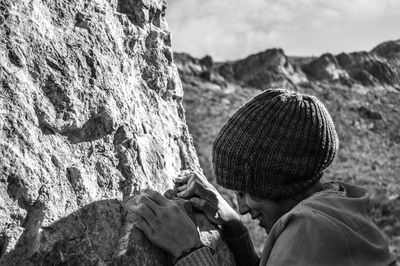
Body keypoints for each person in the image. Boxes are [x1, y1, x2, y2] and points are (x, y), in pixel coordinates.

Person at [131, 89, 396, 265]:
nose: (243, 208)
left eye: (246, 192)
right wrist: (234, 225)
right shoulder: (336, 209)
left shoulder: (312, 232)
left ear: (280, 181)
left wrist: (188, 249)